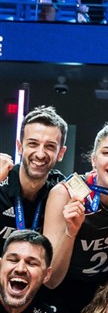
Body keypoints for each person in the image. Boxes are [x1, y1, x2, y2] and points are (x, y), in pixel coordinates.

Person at [42, 123, 108, 313]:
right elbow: (50, 280)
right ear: (94, 160)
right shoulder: (66, 193)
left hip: (105, 294)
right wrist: (70, 232)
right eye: (106, 152)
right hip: (62, 296)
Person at [0, 106, 67, 250]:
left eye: (50, 146)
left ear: (61, 153)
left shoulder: (61, 190)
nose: (40, 154)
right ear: (19, 147)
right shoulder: (1, 179)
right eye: (33, 144)